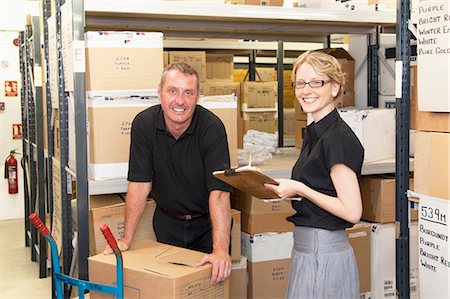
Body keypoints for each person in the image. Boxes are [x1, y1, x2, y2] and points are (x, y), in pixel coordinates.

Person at [104, 62, 233, 285]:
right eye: (172, 91)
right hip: (167, 224)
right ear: (159, 92)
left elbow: (219, 193)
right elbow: (139, 184)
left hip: (206, 226)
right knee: (169, 289)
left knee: (205, 291)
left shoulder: (212, 128)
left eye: (188, 93)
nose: (180, 101)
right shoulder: (144, 125)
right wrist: (126, 239)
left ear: (197, 97)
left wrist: (220, 249)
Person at [264, 50, 364, 299]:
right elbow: (321, 192)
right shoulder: (316, 133)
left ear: (335, 87)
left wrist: (300, 189)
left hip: (324, 252)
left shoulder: (336, 139)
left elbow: (352, 211)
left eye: (316, 82)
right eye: (300, 83)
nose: (306, 90)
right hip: (307, 249)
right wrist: (283, 190)